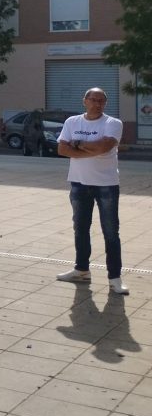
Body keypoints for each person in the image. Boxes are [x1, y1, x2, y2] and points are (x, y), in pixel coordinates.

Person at [56, 88, 128, 295]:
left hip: (106, 184)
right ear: (85, 101)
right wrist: (91, 149)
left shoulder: (113, 123)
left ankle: (115, 278)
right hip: (79, 183)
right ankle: (81, 270)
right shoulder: (72, 122)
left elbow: (104, 147)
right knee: (80, 228)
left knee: (111, 232)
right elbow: (62, 149)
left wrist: (78, 145)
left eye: (101, 101)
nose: (97, 104)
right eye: (93, 100)